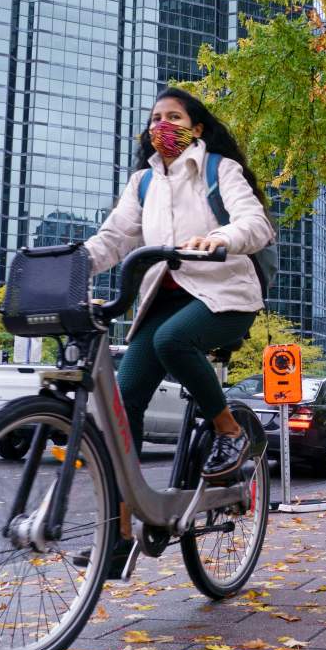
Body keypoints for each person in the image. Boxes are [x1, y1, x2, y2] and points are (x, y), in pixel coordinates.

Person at [84, 87, 274, 481]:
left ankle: (229, 430)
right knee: (124, 400)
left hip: (225, 295)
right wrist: (73, 264)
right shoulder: (143, 183)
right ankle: (122, 524)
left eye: (174, 117)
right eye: (156, 118)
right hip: (165, 299)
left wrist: (222, 237)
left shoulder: (219, 169)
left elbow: (255, 224)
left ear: (197, 129)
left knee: (171, 340)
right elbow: (114, 239)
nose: (163, 125)